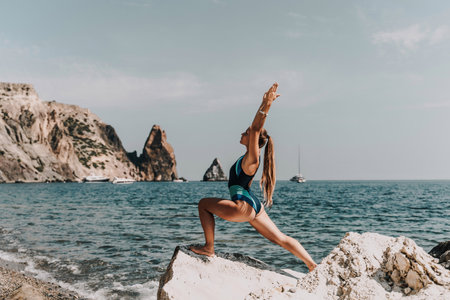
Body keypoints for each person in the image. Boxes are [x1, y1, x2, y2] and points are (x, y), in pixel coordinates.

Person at [190, 83, 317, 272]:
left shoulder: (253, 157)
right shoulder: (248, 157)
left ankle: (209, 248)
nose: (242, 133)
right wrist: (263, 102)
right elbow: (255, 129)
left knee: (203, 204)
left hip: (243, 205)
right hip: (254, 205)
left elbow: (256, 127)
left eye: (246, 133)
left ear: (253, 139)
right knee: (279, 237)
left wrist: (266, 105)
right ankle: (312, 265)